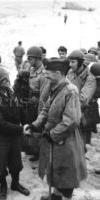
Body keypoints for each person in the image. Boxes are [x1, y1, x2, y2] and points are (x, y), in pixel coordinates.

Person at [24, 58, 87, 200]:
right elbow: (46, 108)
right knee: (54, 166)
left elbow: (71, 120)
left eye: (49, 73)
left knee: (66, 169)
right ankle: (56, 195)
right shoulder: (55, 86)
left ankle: (64, 196)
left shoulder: (71, 91)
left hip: (66, 138)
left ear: (58, 73)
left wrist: (53, 134)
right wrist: (35, 124)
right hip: (54, 134)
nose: (46, 75)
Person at [0, 66, 30, 200]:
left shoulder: (11, 92)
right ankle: (3, 185)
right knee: (0, 162)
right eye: (5, 78)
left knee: (16, 161)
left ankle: (15, 184)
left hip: (13, 134)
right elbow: (0, 123)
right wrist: (21, 129)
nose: (8, 80)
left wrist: (25, 122)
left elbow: (20, 109)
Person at [67, 50, 97, 147]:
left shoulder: (90, 77)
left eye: (73, 62)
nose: (70, 64)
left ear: (80, 62)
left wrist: (67, 106)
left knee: (81, 144)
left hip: (84, 113)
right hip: (71, 111)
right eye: (69, 62)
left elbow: (83, 99)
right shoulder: (70, 72)